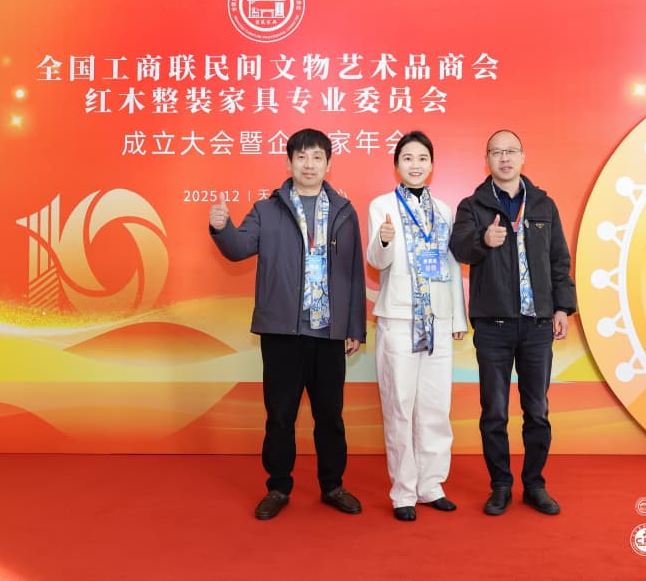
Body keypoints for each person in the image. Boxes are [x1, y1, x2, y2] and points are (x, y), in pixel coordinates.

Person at [208, 128, 367, 520]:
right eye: (301, 157)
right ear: (289, 162)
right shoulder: (267, 210)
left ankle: (333, 486)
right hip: (282, 332)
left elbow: (353, 273)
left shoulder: (344, 212)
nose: (309, 164)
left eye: (317, 157)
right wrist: (222, 227)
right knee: (280, 415)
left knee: (330, 416)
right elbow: (238, 249)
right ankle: (278, 487)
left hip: (328, 332)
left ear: (328, 163)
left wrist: (354, 327)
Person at [449, 129, 577, 516]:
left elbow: (559, 260)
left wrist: (562, 307)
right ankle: (501, 485)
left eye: (511, 151)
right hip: (494, 326)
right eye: (496, 152)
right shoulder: (472, 205)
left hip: (537, 325)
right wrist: (482, 240)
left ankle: (535, 484)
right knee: (494, 411)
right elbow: (458, 247)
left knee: (537, 410)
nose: (504, 158)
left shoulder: (543, 204)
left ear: (523, 157)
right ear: (486, 159)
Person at [366, 131, 468, 522]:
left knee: (436, 406)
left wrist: (457, 317)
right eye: (407, 158)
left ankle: (431, 485)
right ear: (397, 165)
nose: (415, 164)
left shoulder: (443, 210)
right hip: (400, 318)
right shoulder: (382, 206)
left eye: (422, 158)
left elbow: (452, 266)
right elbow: (377, 262)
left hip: (438, 320)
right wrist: (384, 240)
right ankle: (404, 491)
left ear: (431, 165)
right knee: (400, 405)